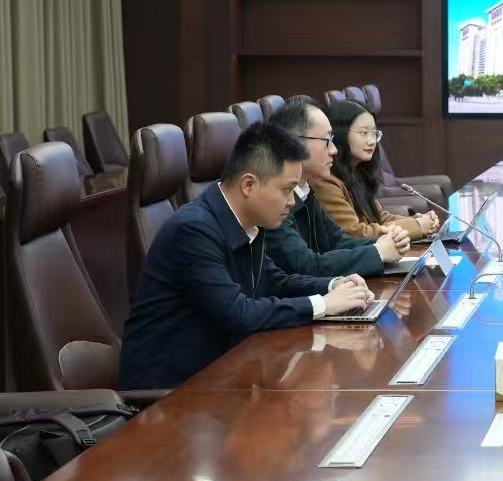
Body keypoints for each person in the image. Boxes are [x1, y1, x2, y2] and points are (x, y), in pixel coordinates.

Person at [120, 123, 375, 390]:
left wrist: (333, 285)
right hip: (171, 393)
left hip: (222, 375)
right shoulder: (194, 230)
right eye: (287, 190)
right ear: (249, 185)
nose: (292, 201)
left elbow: (273, 281)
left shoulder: (247, 219)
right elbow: (238, 313)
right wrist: (322, 304)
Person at [264, 98, 412, 277]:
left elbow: (335, 240)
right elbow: (305, 265)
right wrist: (378, 253)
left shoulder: (304, 189)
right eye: (327, 140)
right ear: (294, 142)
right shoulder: (271, 199)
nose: (334, 150)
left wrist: (384, 243)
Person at [313, 100, 441, 240]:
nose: (372, 141)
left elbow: (378, 218)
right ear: (340, 134)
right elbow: (356, 234)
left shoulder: (356, 172)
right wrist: (416, 226)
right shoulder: (325, 181)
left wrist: (416, 221)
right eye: (364, 133)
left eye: (374, 133)